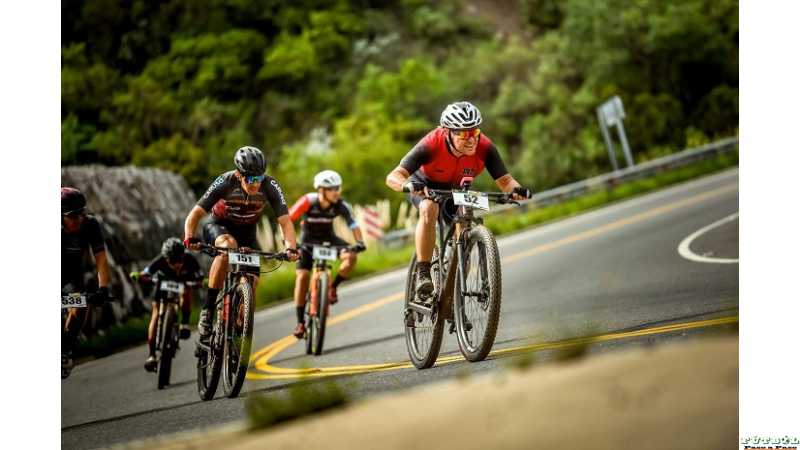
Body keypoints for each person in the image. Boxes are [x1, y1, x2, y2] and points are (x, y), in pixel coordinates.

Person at [384, 101, 532, 295]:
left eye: (474, 132)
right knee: (429, 208)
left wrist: (517, 190)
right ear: (447, 132)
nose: (471, 140)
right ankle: (423, 272)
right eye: (463, 133)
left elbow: (505, 181)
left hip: (457, 189)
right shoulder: (431, 143)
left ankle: (454, 288)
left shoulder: (485, 146)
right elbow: (393, 176)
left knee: (465, 227)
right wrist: (407, 185)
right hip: (425, 185)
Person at [183, 146, 300, 338]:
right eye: (251, 179)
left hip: (247, 231)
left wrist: (290, 248)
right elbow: (195, 214)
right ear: (239, 174)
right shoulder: (225, 181)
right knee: (227, 249)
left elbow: (285, 221)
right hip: (220, 226)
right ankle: (208, 311)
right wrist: (189, 236)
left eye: (259, 178)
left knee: (252, 283)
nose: (256, 184)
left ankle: (239, 328)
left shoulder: (270, 186)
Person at [287, 170, 367, 338]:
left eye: (338, 188)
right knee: (302, 277)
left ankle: (332, 288)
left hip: (329, 240)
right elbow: (288, 219)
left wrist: (359, 243)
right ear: (321, 190)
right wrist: (290, 244)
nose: (337, 191)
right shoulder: (308, 201)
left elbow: (354, 225)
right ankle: (300, 323)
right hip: (307, 243)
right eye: (332, 188)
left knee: (351, 256)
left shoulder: (341, 205)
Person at [131, 237, 204, 372]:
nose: (177, 264)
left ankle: (185, 324)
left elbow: (200, 278)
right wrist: (139, 276)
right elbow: (146, 272)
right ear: (166, 258)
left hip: (183, 285)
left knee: (187, 291)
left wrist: (200, 282)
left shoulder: (190, 260)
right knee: (155, 313)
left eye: (179, 260)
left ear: (184, 256)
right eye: (172, 261)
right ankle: (152, 354)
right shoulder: (159, 260)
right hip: (162, 290)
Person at [61, 187, 110, 379]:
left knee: (81, 303)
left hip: (71, 276)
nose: (78, 219)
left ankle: (65, 348)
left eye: (81, 213)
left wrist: (103, 288)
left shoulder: (90, 225)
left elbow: (101, 258)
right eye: (72, 215)